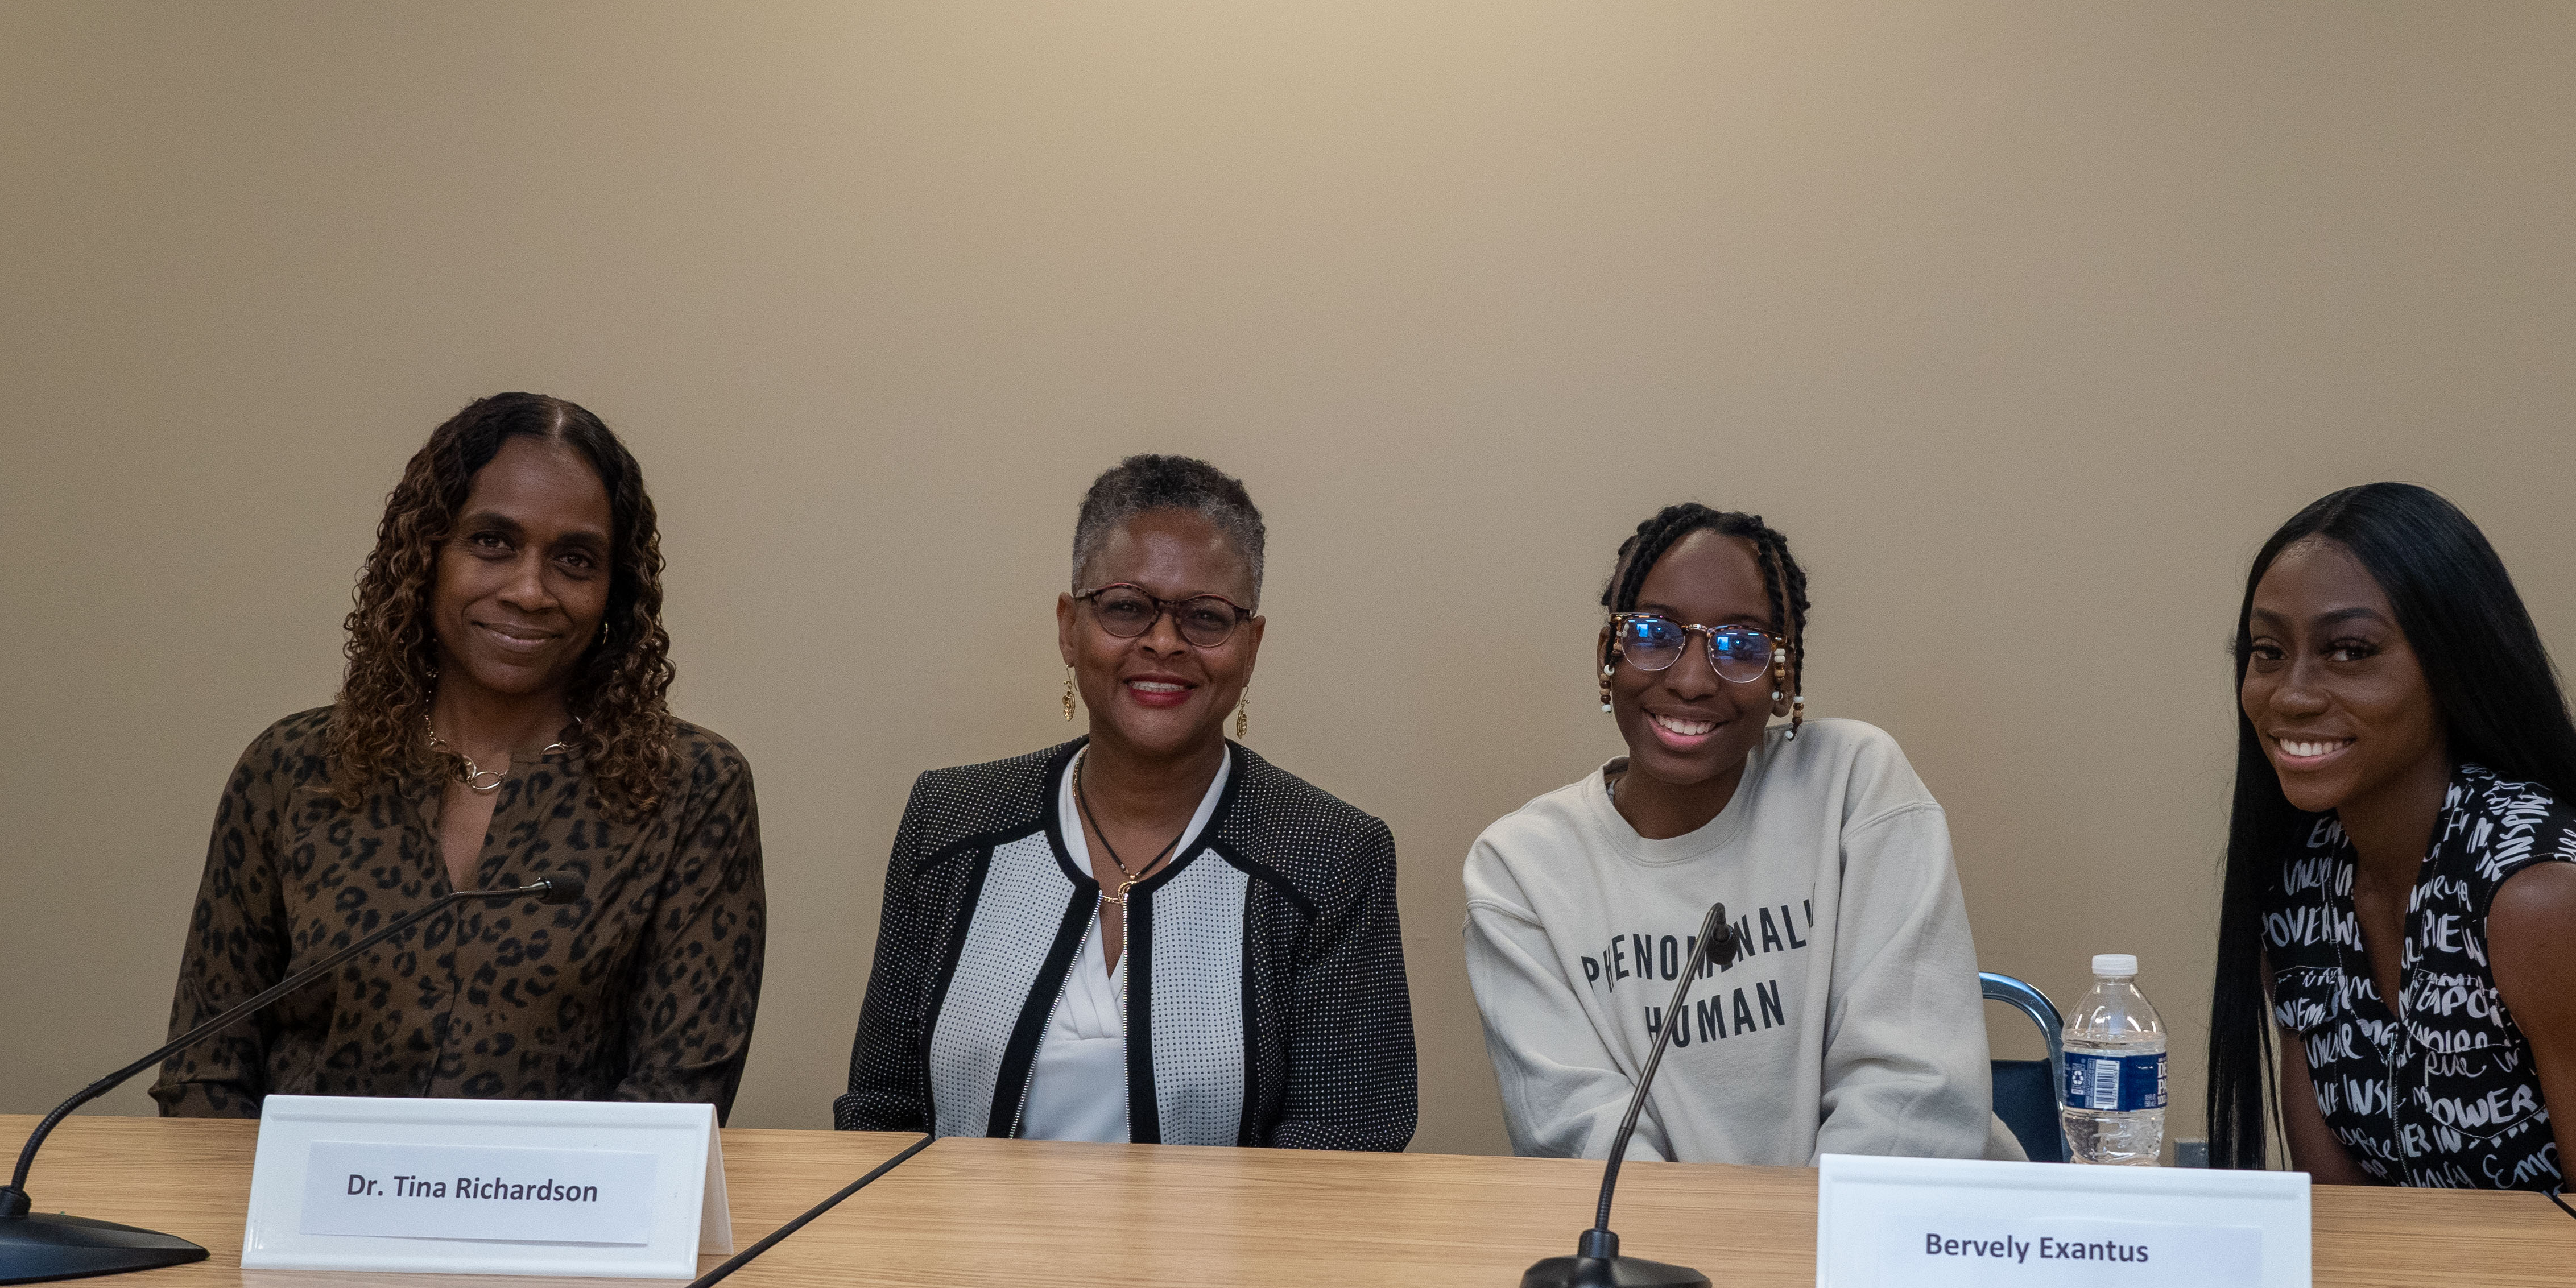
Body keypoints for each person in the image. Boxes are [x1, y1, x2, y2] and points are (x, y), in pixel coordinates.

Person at [155, 393, 767, 1120]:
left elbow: (679, 1094)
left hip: (559, 1218)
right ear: (427, 555)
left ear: (615, 591)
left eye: (575, 560)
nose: (530, 591)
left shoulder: (689, 787)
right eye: (493, 543)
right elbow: (205, 1069)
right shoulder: (295, 768)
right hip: (302, 1220)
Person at [2207, 482, 2576, 1194]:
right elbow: (2340, 1216)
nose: (2291, 693)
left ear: (2453, 667)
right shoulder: (2298, 884)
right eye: (2267, 652)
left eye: (2350, 651)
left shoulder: (2541, 899)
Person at [836, 454, 1415, 1147]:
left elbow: (1346, 1153)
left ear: (1251, 647)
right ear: (1068, 629)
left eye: (1206, 617)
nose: (1164, 643)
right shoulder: (953, 821)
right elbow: (879, 1114)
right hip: (962, 1256)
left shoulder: (1331, 855)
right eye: (1125, 608)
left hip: (1231, 1259)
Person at [1463, 502, 2019, 1165]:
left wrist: (1800, 1253)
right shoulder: (1520, 870)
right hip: (1666, 1260)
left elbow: (1912, 1095)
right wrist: (1702, 1260)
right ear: (1608, 656)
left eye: (1741, 646)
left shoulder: (1854, 785)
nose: (1693, 680)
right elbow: (1584, 1138)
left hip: (1894, 1246)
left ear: (1784, 680)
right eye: (1652, 634)